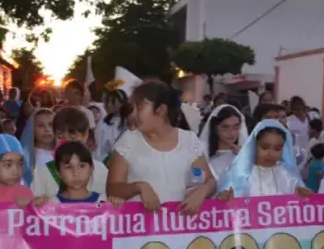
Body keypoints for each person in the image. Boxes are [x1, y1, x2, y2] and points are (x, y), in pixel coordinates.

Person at [107, 81, 216, 213]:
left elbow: (209, 181)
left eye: (140, 107)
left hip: (181, 228)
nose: (133, 114)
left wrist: (203, 191)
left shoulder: (189, 141)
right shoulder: (127, 142)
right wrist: (138, 187)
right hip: (141, 229)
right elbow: (112, 189)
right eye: (133, 108)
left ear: (161, 110)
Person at [216, 120, 311, 199]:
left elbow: (304, 207)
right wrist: (225, 200)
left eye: (277, 149)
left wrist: (306, 196)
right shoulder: (240, 175)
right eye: (265, 148)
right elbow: (227, 210)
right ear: (254, 145)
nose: (271, 154)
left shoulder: (289, 176)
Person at [32, 107, 108, 200]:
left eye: (72, 136)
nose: (66, 141)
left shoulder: (100, 170)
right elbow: (33, 209)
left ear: (85, 135)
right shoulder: (43, 172)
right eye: (60, 136)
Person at [50, 141, 122, 206]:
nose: (76, 173)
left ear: (91, 168)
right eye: (68, 167)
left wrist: (119, 209)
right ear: (58, 173)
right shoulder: (51, 205)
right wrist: (39, 208)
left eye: (82, 166)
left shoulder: (103, 201)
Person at [200, 104, 249, 179]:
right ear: (215, 129)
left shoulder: (247, 155)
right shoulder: (201, 154)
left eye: (236, 127)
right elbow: (194, 183)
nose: (231, 133)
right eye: (225, 127)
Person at [96, 88, 131, 162]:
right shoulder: (103, 123)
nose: (109, 104)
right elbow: (99, 146)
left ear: (122, 103)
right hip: (104, 161)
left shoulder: (129, 123)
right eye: (108, 101)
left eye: (113, 101)